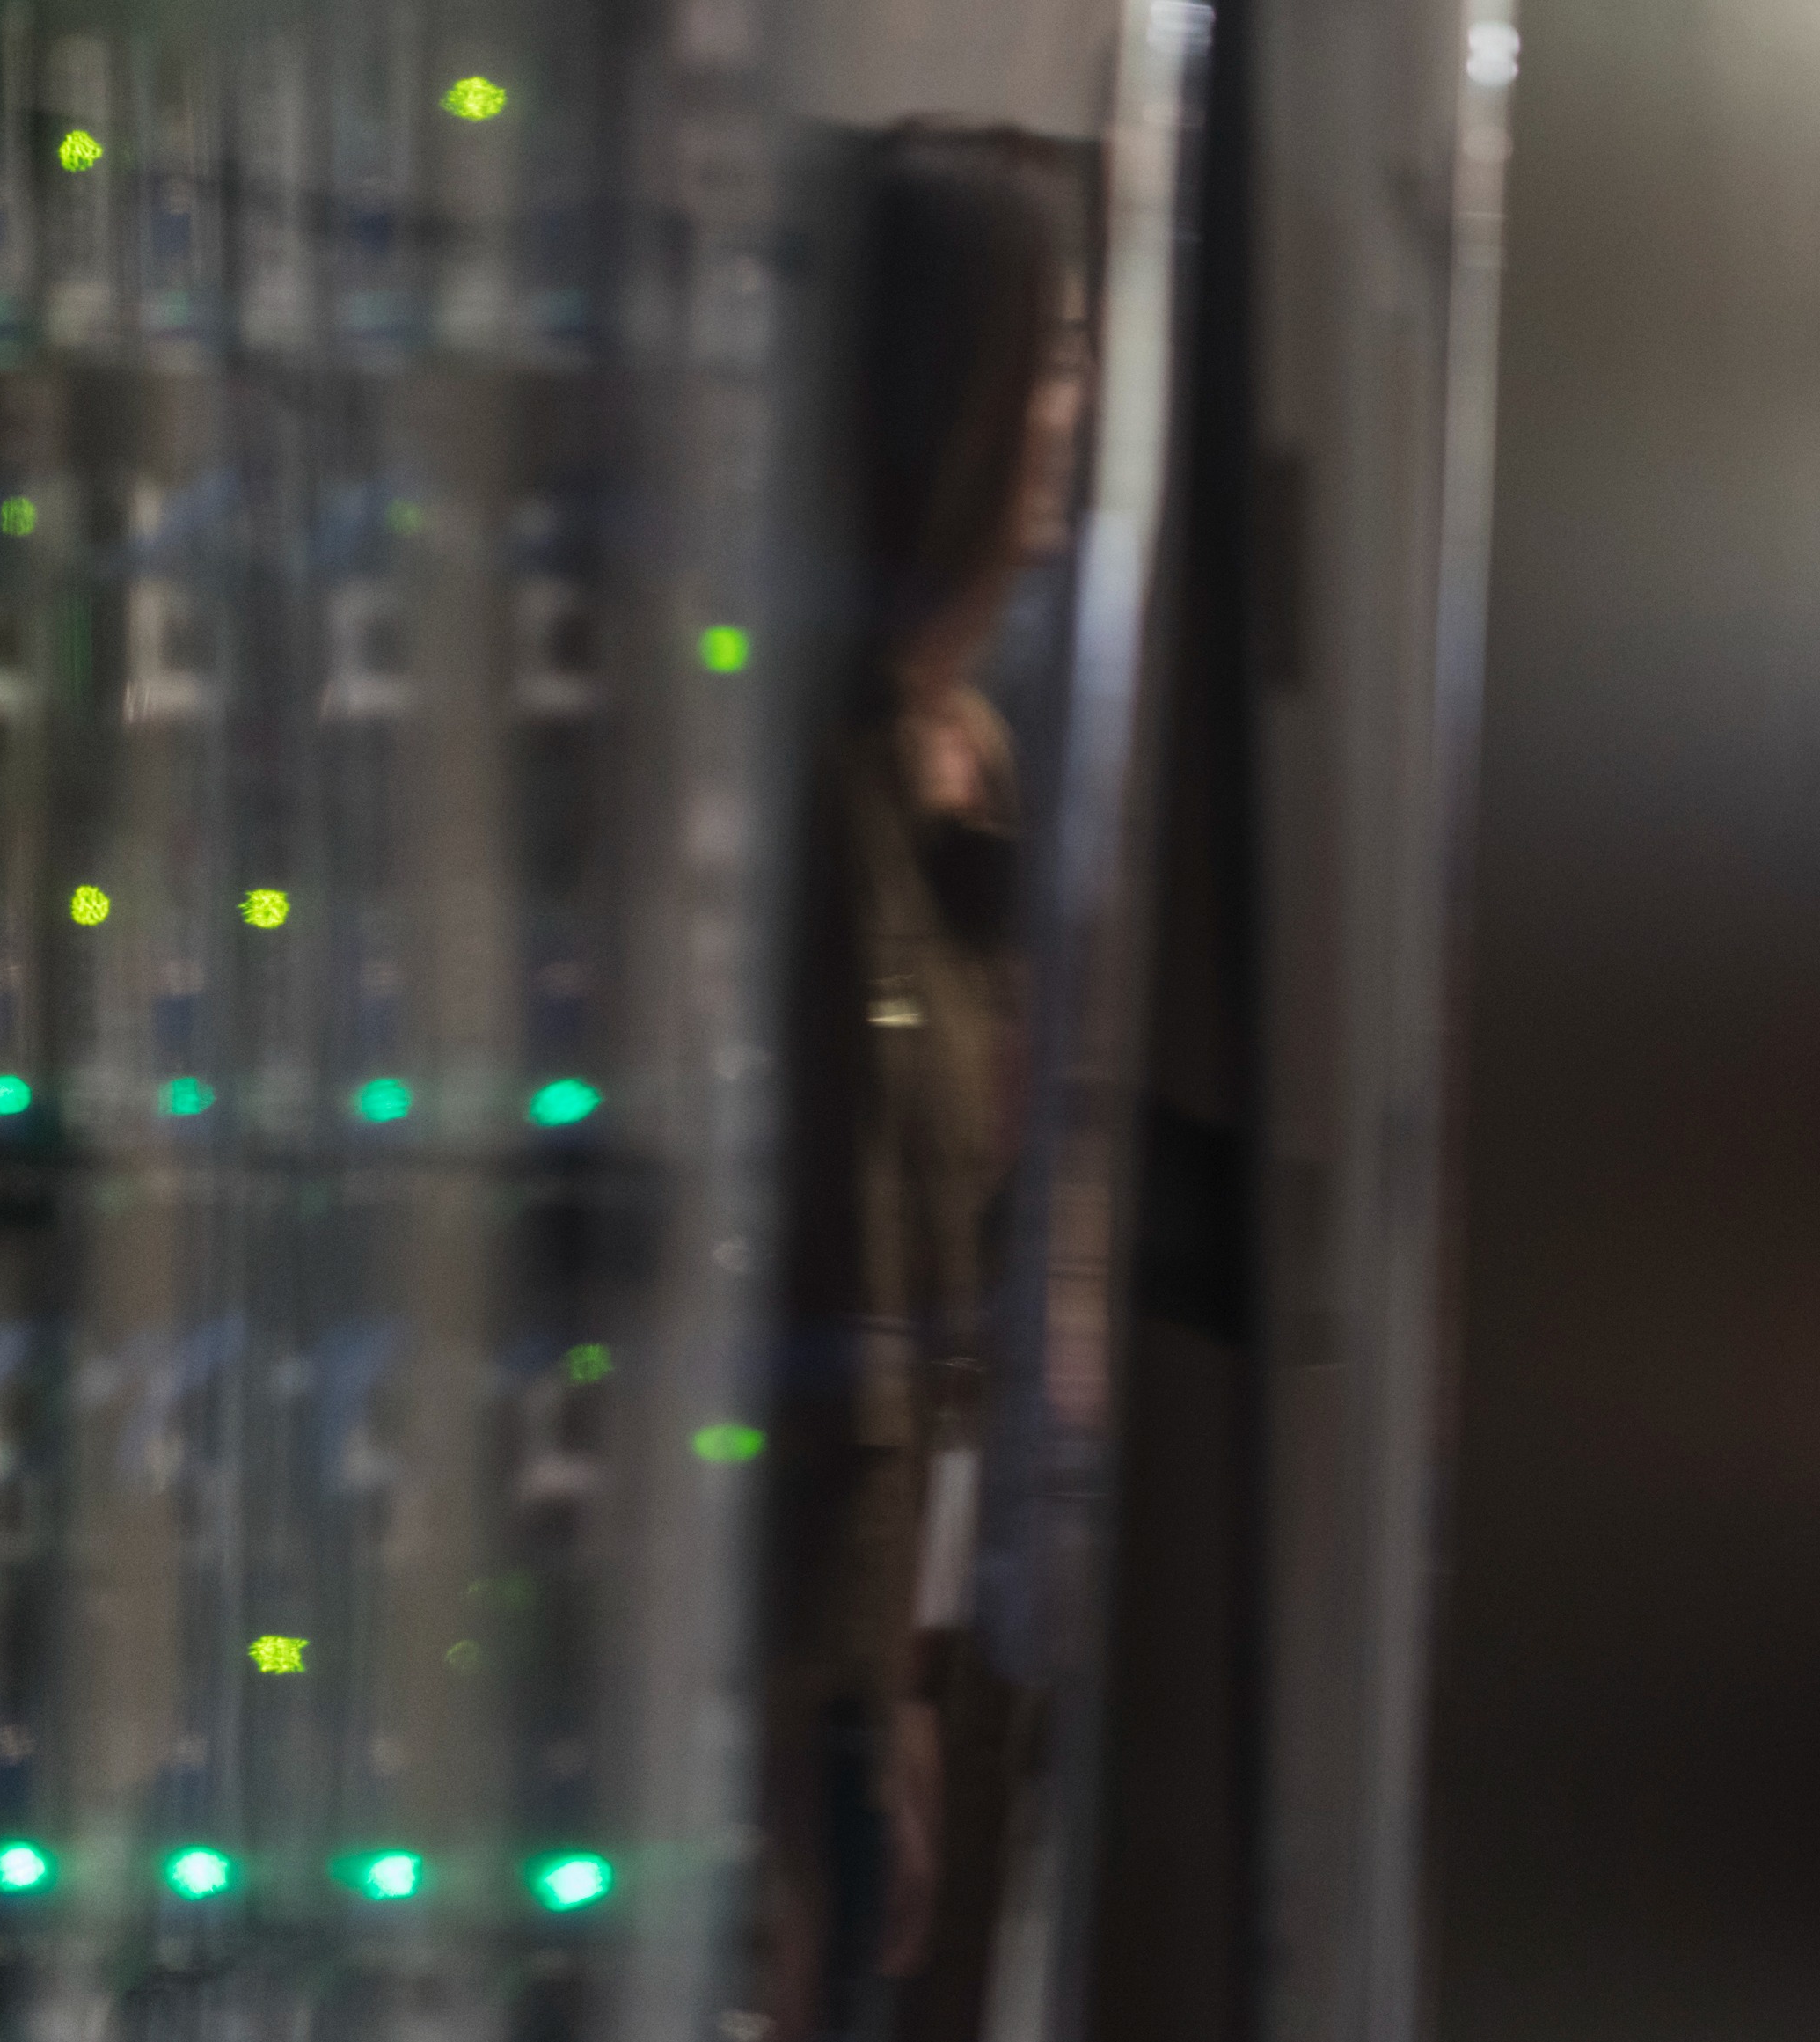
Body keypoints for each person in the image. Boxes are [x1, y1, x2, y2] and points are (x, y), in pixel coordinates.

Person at [757, 121, 1098, 2042]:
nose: (1072, 411)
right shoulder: (809, 795)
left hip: (945, 1608)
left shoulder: (954, 751)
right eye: (1041, 363)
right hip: (818, 1650)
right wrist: (855, 1696)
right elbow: (831, 1298)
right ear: (940, 404)